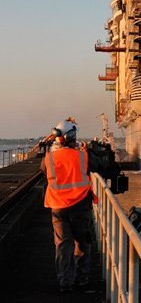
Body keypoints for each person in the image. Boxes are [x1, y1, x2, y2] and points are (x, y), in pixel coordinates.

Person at [41, 118, 97, 292]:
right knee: (82, 243)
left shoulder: (49, 158)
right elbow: (97, 165)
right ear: (72, 136)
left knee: (63, 246)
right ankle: (82, 279)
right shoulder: (83, 155)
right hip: (80, 206)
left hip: (58, 208)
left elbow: (44, 170)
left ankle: (65, 282)